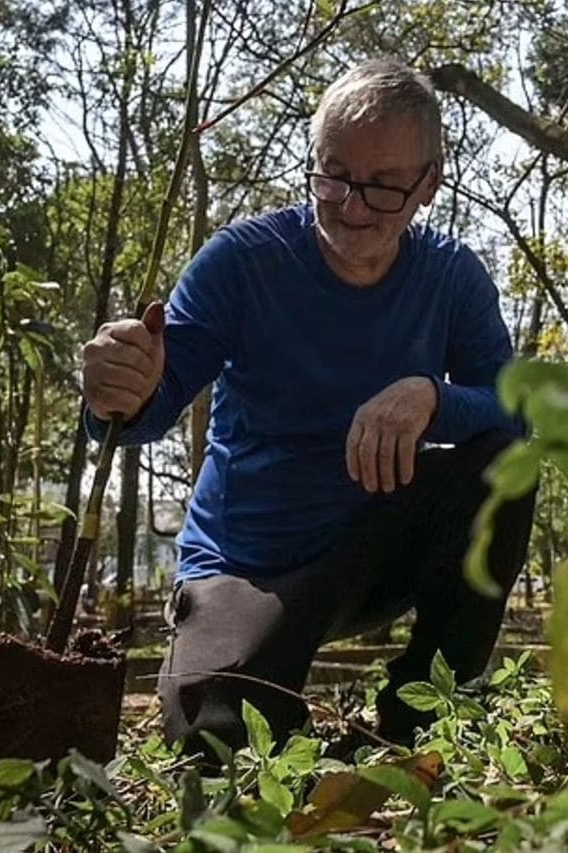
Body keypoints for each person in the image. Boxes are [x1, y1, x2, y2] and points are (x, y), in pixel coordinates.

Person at [79, 59, 536, 754]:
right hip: (248, 562)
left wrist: (432, 399)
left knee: (504, 467)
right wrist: (120, 385)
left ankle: (425, 718)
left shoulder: (451, 277)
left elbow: (515, 415)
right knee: (215, 742)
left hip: (373, 543)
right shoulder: (242, 261)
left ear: (429, 185)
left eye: (382, 188)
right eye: (333, 177)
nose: (351, 209)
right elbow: (151, 405)